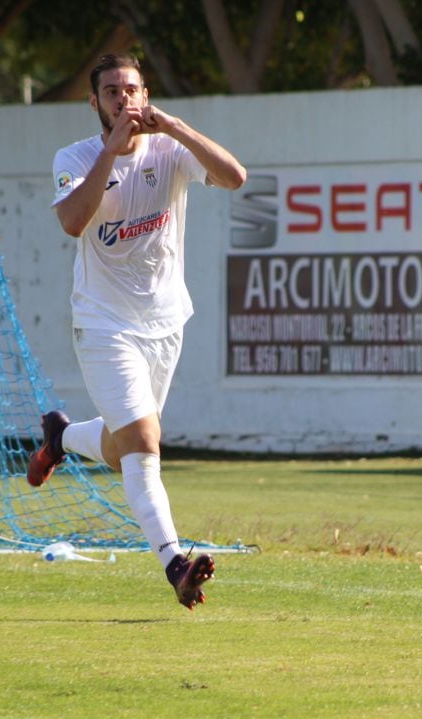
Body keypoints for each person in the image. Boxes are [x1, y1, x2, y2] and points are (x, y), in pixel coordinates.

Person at [27, 53, 247, 610]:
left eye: (132, 91)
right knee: (144, 443)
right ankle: (175, 564)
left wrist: (174, 127)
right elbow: (74, 221)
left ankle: (61, 436)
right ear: (95, 103)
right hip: (103, 324)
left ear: (146, 94)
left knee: (123, 444)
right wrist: (110, 153)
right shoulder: (76, 156)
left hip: (165, 322)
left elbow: (234, 176)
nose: (124, 101)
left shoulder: (171, 148)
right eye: (111, 93)